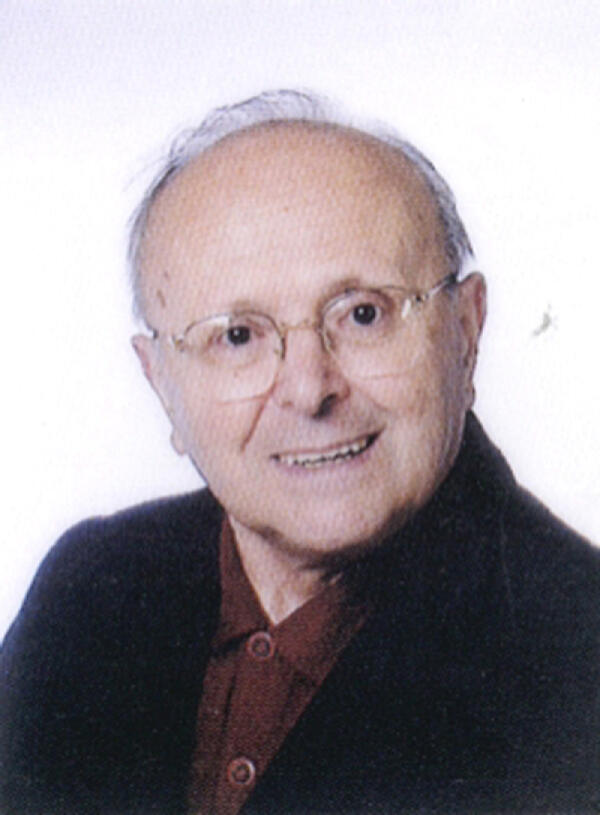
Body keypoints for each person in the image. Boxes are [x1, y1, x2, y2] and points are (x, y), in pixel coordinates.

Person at [1, 90, 599, 815]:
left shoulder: (577, 655)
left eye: (364, 314)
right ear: (161, 384)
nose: (310, 388)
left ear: (466, 333)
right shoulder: (91, 589)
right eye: (238, 336)